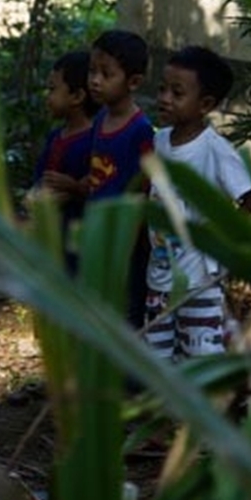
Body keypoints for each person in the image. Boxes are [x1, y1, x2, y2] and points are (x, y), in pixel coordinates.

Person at [144, 45, 251, 361]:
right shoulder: (159, 141)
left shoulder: (214, 149)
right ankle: (168, 409)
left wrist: (226, 232)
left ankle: (203, 407)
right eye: (162, 89)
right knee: (157, 355)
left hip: (198, 282)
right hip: (159, 277)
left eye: (177, 92)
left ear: (206, 104)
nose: (164, 98)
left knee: (200, 354)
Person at [86, 29, 155, 329]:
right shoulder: (101, 118)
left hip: (128, 241)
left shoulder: (140, 130)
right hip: (99, 232)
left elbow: (145, 189)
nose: (95, 80)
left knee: (127, 309)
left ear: (134, 82)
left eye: (106, 73)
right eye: (92, 71)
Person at [27, 49, 99, 276]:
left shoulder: (94, 142)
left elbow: (99, 188)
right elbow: (42, 179)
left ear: (77, 96)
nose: (48, 97)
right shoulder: (56, 137)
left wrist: (75, 188)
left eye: (52, 89)